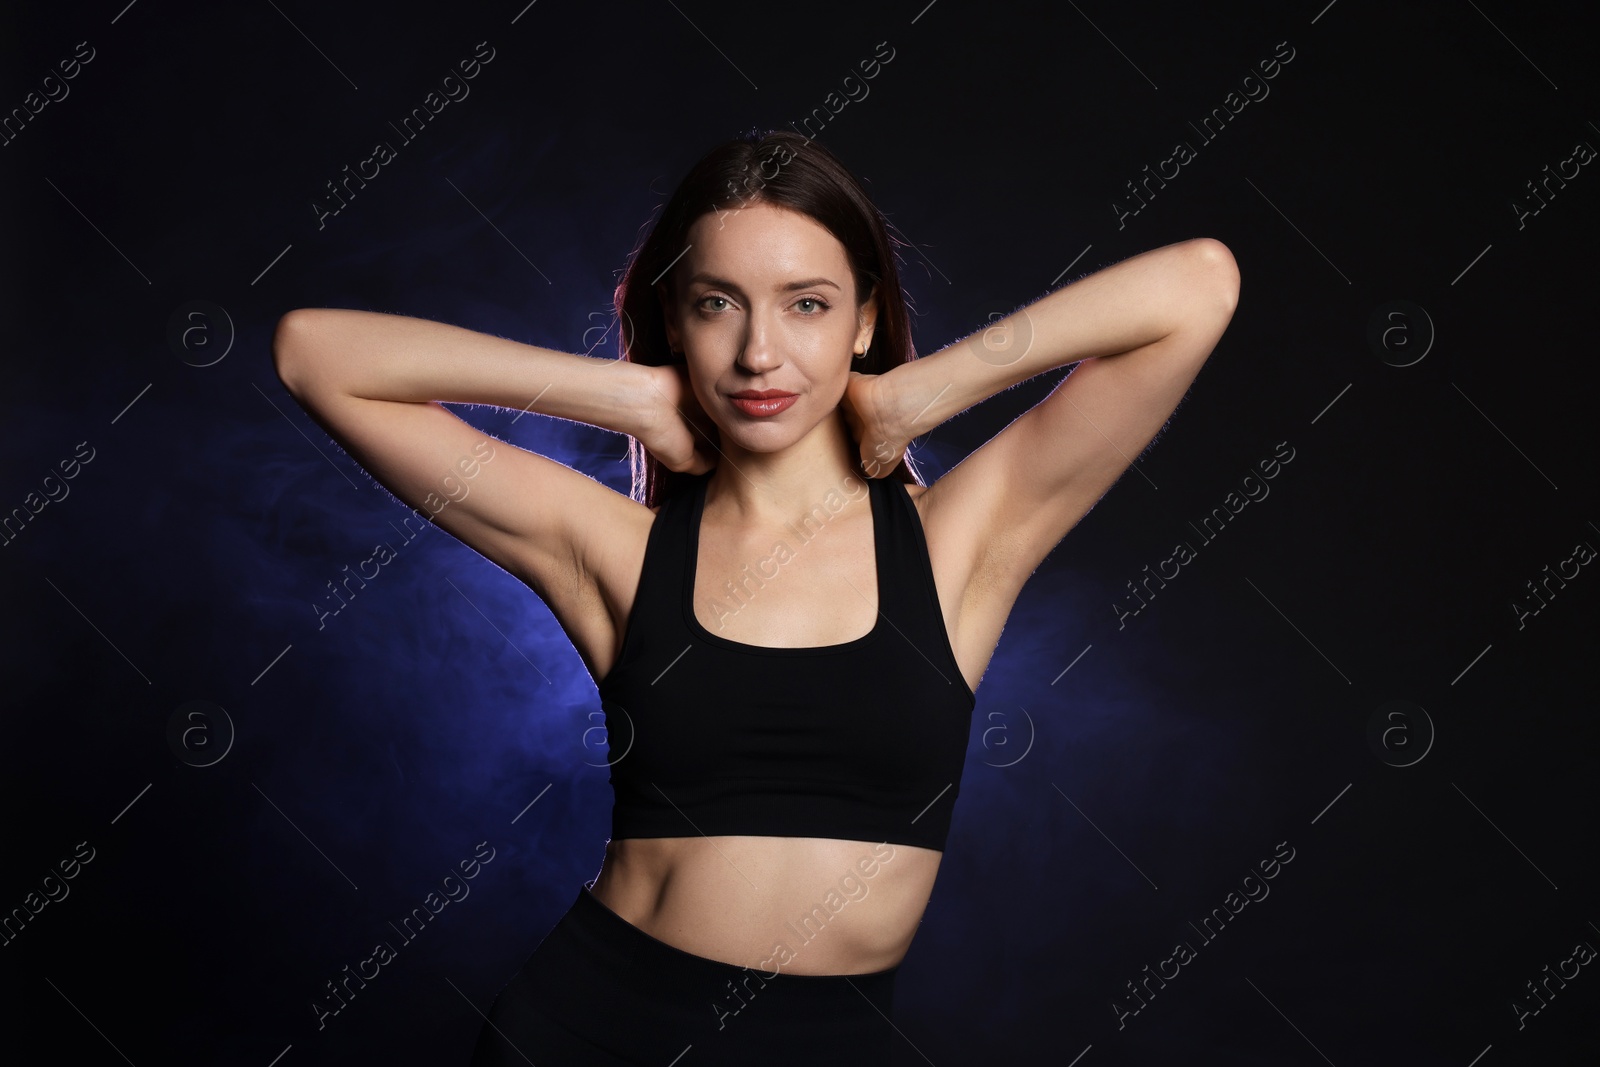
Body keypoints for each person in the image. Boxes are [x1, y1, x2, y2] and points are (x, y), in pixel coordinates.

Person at [272, 129, 1239, 1064]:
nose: (760, 352)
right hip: (591, 1029)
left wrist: (923, 392)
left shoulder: (958, 541)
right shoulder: (615, 549)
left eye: (807, 304)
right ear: (677, 323)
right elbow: (317, 355)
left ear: (864, 317)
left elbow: (1198, 283)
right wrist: (627, 397)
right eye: (717, 304)